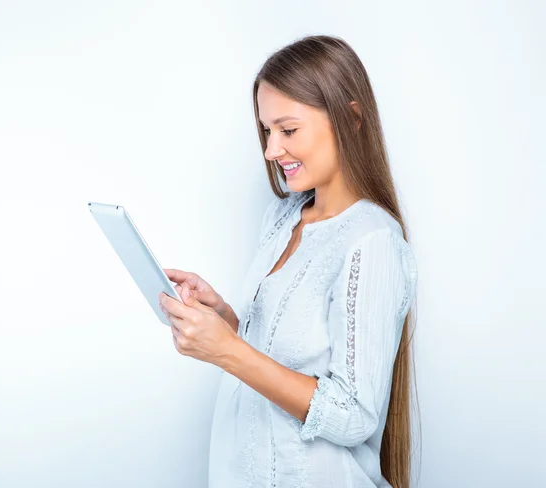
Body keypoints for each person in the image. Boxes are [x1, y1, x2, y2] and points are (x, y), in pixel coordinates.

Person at [159, 34, 419, 488]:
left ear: (351, 118)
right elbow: (290, 352)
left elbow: (354, 415)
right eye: (266, 131)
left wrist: (229, 351)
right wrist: (227, 320)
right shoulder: (282, 219)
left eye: (288, 130)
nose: (271, 150)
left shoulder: (372, 240)